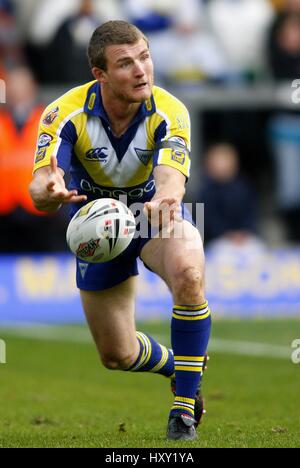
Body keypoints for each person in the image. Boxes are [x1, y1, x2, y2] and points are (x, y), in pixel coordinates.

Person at [29, 20, 211, 441]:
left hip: (152, 215)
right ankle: (178, 364)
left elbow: (171, 177)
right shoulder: (63, 112)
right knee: (117, 354)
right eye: (125, 63)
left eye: (144, 57)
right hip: (98, 229)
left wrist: (167, 197)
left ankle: (183, 412)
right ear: (100, 74)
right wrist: (48, 190)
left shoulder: (171, 110)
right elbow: (40, 183)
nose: (141, 70)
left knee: (189, 272)